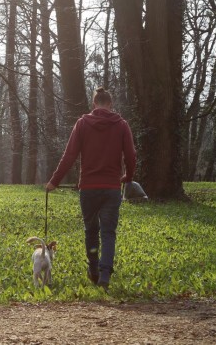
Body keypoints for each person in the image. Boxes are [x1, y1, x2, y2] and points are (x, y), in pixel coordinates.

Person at [45, 87, 136, 289]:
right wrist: (128, 177)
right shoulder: (121, 125)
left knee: (91, 231)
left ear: (94, 104)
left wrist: (55, 181)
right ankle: (105, 274)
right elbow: (131, 155)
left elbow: (69, 155)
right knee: (108, 233)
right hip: (112, 187)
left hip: (88, 187)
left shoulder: (83, 124)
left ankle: (93, 268)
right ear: (110, 104)